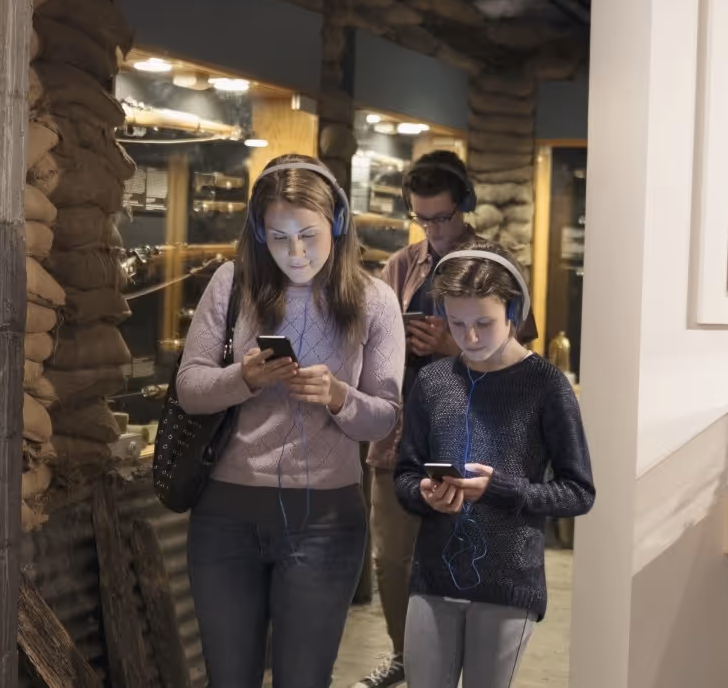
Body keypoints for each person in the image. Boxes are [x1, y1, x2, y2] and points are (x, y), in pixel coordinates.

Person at [175, 154, 405, 687]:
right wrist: (246, 378)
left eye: (308, 234)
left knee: (303, 679)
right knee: (228, 678)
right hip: (223, 519)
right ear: (259, 232)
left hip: (324, 522)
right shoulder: (231, 283)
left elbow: (385, 420)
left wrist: (337, 395)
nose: (295, 253)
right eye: (278, 238)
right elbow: (191, 389)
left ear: (339, 225)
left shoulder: (375, 300)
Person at [358, 151, 539, 688]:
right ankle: (406, 658)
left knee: (468, 563)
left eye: (442, 218)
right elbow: (370, 339)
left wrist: (450, 346)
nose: (433, 230)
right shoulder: (401, 265)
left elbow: (524, 354)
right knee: (392, 561)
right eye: (422, 218)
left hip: (474, 437)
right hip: (401, 436)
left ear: (465, 207)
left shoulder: (494, 266)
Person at [393, 243, 594, 688]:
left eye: (483, 322)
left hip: (508, 583)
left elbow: (579, 492)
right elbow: (405, 475)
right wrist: (424, 493)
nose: (470, 337)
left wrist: (502, 489)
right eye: (457, 323)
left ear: (514, 311)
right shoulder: (432, 381)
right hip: (433, 578)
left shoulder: (546, 385)